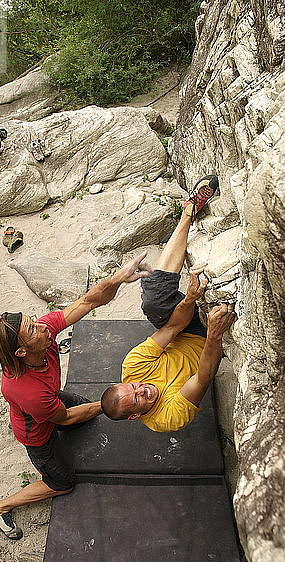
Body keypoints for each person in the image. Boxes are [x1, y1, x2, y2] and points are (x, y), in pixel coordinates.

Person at [0, 253, 151, 540]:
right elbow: (65, 415)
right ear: (22, 352)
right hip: (38, 432)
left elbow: (87, 302)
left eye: (33, 320)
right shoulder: (29, 391)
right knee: (62, 482)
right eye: (32, 329)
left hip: (52, 399)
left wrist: (117, 278)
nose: (41, 325)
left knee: (81, 417)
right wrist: (110, 405)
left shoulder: (44, 332)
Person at [101, 174, 236, 432]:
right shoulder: (164, 419)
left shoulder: (133, 367)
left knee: (154, 302)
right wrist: (215, 335)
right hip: (207, 351)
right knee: (171, 312)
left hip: (185, 331)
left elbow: (172, 329)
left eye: (134, 387)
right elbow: (202, 378)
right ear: (134, 417)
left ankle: (188, 212)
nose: (143, 389)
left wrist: (191, 298)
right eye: (138, 399)